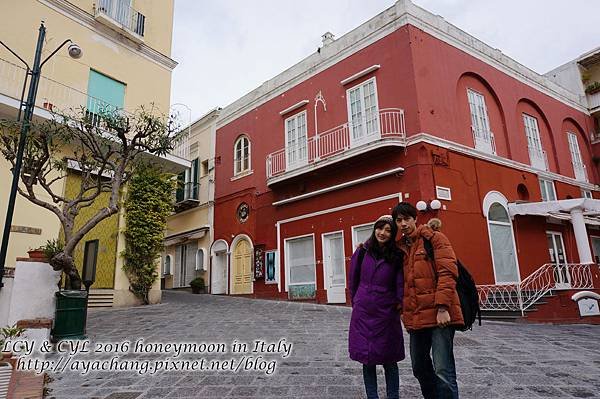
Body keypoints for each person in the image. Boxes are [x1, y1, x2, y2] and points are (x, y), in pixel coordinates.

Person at [392, 203, 463, 399]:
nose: (403, 224)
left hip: (441, 315)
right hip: (417, 317)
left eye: (407, 219)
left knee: (443, 370)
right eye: (399, 220)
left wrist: (442, 307)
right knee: (419, 367)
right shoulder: (401, 248)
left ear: (415, 219)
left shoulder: (435, 239)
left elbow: (448, 272)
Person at [348, 215, 405, 399]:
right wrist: (356, 300)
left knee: (390, 359)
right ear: (374, 229)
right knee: (367, 359)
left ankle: (393, 396)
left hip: (386, 314)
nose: (383, 233)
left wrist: (399, 303)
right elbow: (353, 278)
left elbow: (400, 283)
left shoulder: (397, 256)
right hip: (363, 312)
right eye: (380, 228)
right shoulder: (363, 251)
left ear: (393, 234)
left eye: (388, 230)